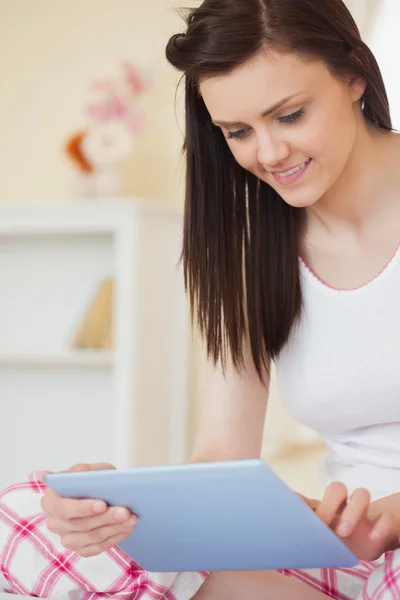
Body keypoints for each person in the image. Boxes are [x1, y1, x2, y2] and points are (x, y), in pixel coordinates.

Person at [1, 0, 400, 598]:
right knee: (24, 517)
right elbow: (220, 455)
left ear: (352, 76)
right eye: (239, 132)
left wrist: (392, 515)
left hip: (385, 540)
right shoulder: (256, 247)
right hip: (341, 550)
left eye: (289, 115)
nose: (268, 154)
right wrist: (127, 507)